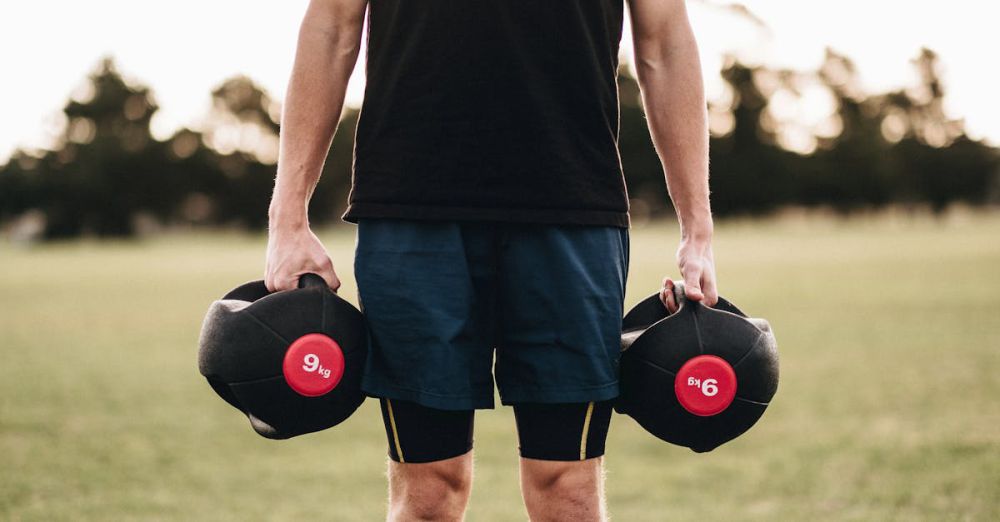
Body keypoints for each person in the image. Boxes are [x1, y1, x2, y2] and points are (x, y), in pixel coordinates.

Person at [265, 0, 718, 519]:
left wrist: (697, 228)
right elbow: (331, 27)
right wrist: (287, 218)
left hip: (572, 211)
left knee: (568, 490)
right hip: (413, 210)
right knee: (428, 494)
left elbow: (664, 42)